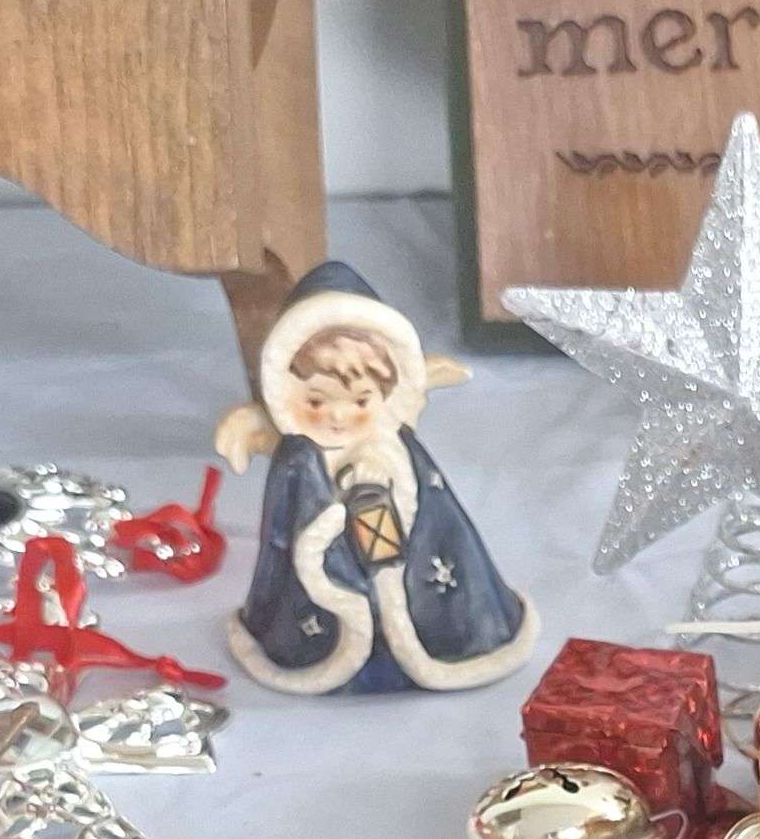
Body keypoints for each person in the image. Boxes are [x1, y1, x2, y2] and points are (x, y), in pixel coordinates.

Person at [218, 262, 537, 696]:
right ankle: (327, 652)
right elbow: (286, 532)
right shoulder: (298, 461)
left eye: (360, 401)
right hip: (322, 614)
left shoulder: (396, 451)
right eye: (317, 401)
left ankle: (423, 645)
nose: (338, 416)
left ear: (385, 397)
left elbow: (435, 521)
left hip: (417, 590)